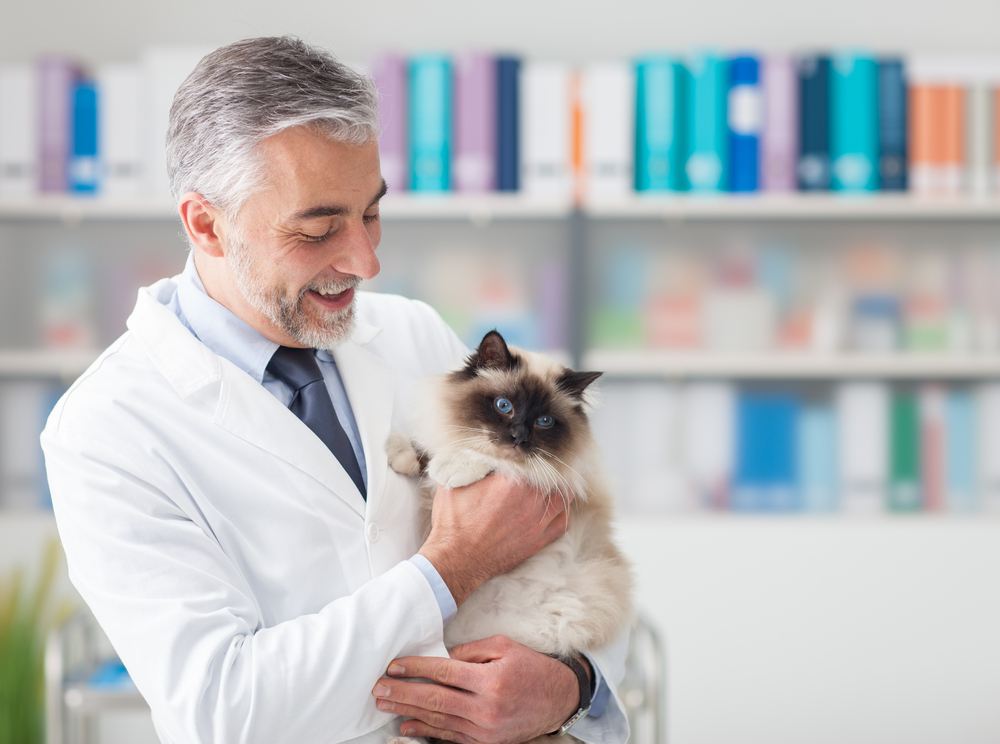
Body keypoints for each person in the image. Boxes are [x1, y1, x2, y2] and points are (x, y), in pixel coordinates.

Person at [40, 36, 629, 744]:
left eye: (371, 213)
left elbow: (578, 555)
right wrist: (449, 569)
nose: (365, 260)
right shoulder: (107, 429)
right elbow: (223, 712)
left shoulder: (412, 335)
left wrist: (572, 686)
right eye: (319, 229)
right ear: (206, 224)